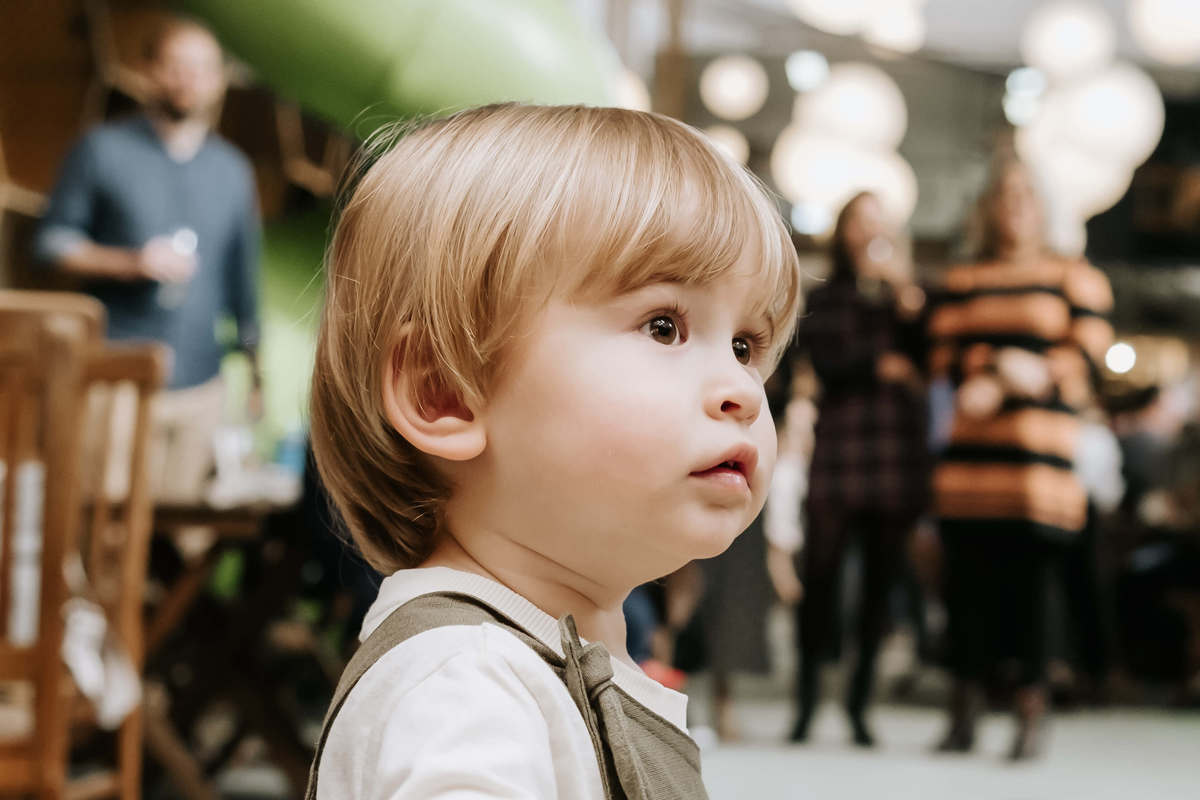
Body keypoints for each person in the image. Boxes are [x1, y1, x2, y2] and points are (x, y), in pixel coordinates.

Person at [306, 104, 802, 799]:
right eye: (664, 326)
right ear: (444, 393)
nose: (742, 391)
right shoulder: (465, 688)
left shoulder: (538, 664)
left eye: (746, 347)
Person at [929, 155, 1114, 760]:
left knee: (1034, 598)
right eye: (1004, 195)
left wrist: (1024, 375)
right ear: (989, 207)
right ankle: (963, 712)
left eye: (1025, 195)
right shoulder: (966, 277)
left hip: (1039, 467)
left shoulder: (1073, 277)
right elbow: (942, 355)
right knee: (966, 594)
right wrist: (993, 367)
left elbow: (1089, 360)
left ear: (1042, 206)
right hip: (970, 465)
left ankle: (1031, 713)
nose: (1014, 207)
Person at [33, 16, 261, 503]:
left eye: (202, 68)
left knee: (184, 527)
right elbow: (51, 243)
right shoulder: (101, 150)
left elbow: (243, 282)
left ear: (219, 81)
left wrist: (256, 373)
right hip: (114, 376)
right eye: (176, 65)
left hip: (201, 384)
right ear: (148, 71)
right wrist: (131, 262)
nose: (188, 79)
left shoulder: (233, 170)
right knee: (105, 517)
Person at [788, 191, 930, 747]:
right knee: (820, 576)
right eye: (859, 220)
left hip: (894, 449)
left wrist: (904, 302)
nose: (869, 231)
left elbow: (927, 360)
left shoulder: (909, 295)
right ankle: (805, 702)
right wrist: (881, 364)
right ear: (843, 230)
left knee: (880, 583)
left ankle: (859, 705)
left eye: (878, 221)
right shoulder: (826, 295)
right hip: (842, 445)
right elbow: (824, 360)